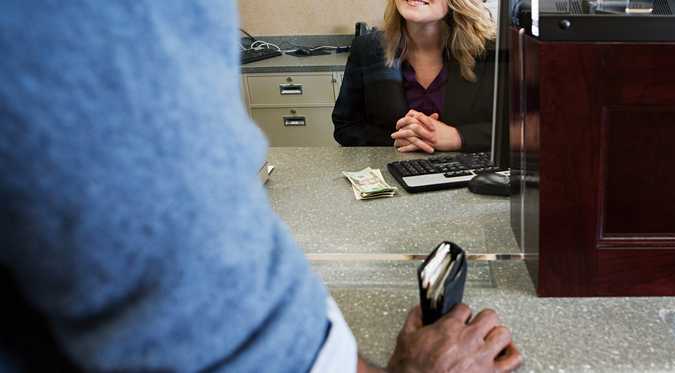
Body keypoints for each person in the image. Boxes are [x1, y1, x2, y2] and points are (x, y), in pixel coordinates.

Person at [0, 1, 522, 372]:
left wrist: (453, 138)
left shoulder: (494, 52)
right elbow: (184, 289)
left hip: (453, 201)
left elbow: (516, 129)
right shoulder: (372, 48)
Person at [332, 0, 496, 153]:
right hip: (392, 176)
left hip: (467, 177)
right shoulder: (367, 49)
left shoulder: (493, 51)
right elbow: (345, 127)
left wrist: (458, 136)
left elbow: (517, 130)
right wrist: (395, 140)